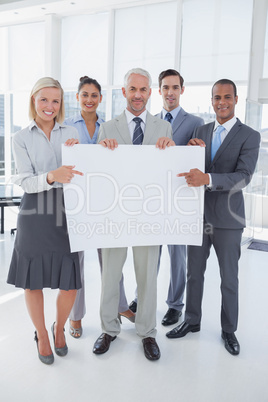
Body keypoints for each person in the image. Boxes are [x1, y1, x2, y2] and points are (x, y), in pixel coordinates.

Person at [166, 79, 260, 356]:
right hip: (197, 217)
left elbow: (243, 177)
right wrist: (191, 152)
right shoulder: (202, 130)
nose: (222, 102)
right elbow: (190, 168)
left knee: (229, 278)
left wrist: (206, 177)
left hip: (228, 220)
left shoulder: (249, 135)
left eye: (227, 97)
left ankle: (228, 330)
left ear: (235, 99)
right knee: (194, 274)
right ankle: (191, 321)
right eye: (217, 97)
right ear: (211, 100)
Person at [93, 68, 174, 361]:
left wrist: (172, 149)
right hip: (115, 214)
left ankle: (147, 332)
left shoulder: (163, 128)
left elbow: (168, 171)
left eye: (143, 89)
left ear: (150, 92)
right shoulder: (108, 127)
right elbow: (99, 173)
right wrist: (101, 151)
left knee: (147, 277)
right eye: (132, 89)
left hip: (148, 216)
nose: (138, 95)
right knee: (111, 275)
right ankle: (109, 329)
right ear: (124, 92)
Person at [7, 77, 83, 365]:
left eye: (55, 101)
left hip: (67, 213)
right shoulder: (20, 138)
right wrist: (52, 176)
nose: (49, 106)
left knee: (70, 284)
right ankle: (41, 333)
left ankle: (59, 327)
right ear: (33, 100)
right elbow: (25, 182)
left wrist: (82, 154)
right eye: (44, 99)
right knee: (33, 282)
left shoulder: (71, 132)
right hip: (35, 214)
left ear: (61, 104)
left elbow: (83, 171)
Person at [128, 69, 204, 327]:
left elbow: (199, 160)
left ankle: (175, 305)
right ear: (158, 91)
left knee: (176, 255)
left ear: (182, 90)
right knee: (148, 253)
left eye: (175, 87)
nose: (170, 92)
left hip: (179, 199)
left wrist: (198, 149)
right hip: (152, 198)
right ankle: (141, 297)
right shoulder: (149, 120)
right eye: (165, 87)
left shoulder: (195, 122)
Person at [64, 76, 135, 339]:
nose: (90, 100)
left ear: (101, 98)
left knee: (111, 261)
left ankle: (121, 307)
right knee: (77, 263)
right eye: (85, 95)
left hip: (106, 202)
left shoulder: (111, 127)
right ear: (77, 97)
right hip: (78, 203)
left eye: (94, 95)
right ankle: (76, 316)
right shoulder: (67, 127)